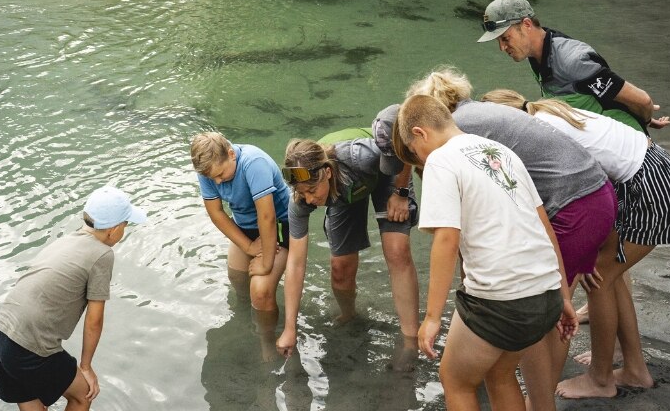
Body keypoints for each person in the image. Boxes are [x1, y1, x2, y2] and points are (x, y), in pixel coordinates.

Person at [405, 67, 613, 411]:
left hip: (501, 302)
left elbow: (446, 240)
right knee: (500, 375)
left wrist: (431, 318)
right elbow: (545, 226)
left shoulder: (442, 159)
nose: (421, 163)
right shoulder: (500, 151)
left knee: (455, 380)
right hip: (544, 293)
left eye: (416, 153)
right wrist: (562, 295)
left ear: (420, 133)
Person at [480, 90, 670, 398]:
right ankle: (634, 369)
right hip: (653, 177)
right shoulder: (545, 115)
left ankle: (601, 380)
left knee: (600, 279)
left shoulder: (541, 131)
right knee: (608, 275)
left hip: (649, 188)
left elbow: (578, 189)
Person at [0, 185, 147, 410]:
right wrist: (86, 367)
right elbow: (95, 319)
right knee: (83, 395)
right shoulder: (102, 254)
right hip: (31, 345)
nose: (124, 230)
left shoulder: (65, 241)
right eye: (126, 224)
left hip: (1, 336)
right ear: (113, 229)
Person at [275, 129, 420, 360]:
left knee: (396, 251)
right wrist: (290, 328)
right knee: (340, 268)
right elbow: (295, 264)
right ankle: (350, 316)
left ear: (327, 173)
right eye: (302, 193)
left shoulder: (360, 155)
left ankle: (411, 339)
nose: (310, 199)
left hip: (386, 174)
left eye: (312, 190)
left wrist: (401, 193)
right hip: (346, 193)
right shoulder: (301, 200)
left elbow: (402, 146)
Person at [476, 0, 670, 132]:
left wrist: (645, 121)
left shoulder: (572, 61)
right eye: (498, 41)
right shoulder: (538, 52)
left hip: (628, 155)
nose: (502, 47)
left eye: (505, 38)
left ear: (526, 25)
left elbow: (642, 100)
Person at [191, 132, 292, 359]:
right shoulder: (208, 168)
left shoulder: (253, 163)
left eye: (220, 174)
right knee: (237, 276)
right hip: (246, 225)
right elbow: (216, 213)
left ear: (230, 154)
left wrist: (265, 262)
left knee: (260, 290)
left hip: (279, 225)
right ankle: (248, 325)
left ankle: (268, 346)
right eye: (211, 177)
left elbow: (267, 217)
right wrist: (247, 247)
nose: (217, 181)